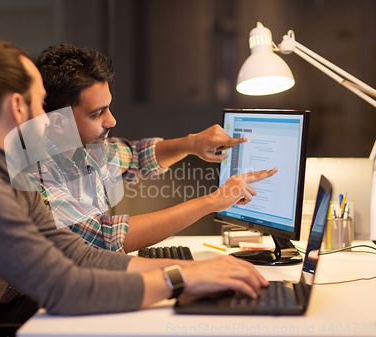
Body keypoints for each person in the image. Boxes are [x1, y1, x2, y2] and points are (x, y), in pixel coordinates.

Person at [0, 40, 273, 336]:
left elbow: (79, 254)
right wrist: (183, 279)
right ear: (19, 107)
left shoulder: (10, 167)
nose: (47, 112)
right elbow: (65, 287)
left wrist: (192, 270)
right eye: (41, 99)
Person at [32, 44, 276, 253]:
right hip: (29, 304)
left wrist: (192, 144)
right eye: (97, 114)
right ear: (59, 122)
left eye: (108, 107)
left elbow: (137, 156)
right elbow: (104, 238)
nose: (111, 121)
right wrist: (213, 201)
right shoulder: (39, 174)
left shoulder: (81, 148)